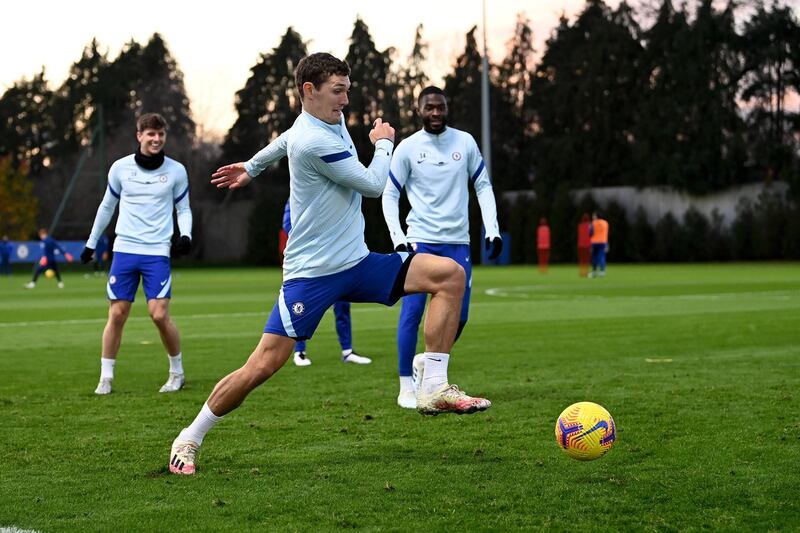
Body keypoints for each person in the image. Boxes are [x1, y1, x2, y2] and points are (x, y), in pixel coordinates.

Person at [169, 53, 490, 475]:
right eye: (338, 91)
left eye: (347, 90)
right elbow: (375, 185)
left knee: (450, 276)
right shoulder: (314, 140)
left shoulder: (322, 122)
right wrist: (384, 143)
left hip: (356, 262)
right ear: (309, 91)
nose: (345, 100)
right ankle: (190, 437)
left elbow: (281, 140)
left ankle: (432, 385)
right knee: (263, 365)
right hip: (311, 275)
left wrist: (252, 166)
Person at [381, 86, 502, 409]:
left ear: (447, 109)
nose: (435, 112)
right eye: (429, 107)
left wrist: (492, 229)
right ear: (418, 109)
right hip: (420, 240)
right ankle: (406, 385)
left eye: (440, 107)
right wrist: (398, 237)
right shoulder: (407, 148)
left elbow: (483, 186)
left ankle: (429, 365)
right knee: (412, 312)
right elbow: (389, 194)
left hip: (458, 242)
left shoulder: (465, 142)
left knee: (458, 316)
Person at [81, 112, 193, 395]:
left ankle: (176, 372)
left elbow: (183, 209)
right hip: (125, 250)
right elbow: (106, 207)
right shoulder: (120, 168)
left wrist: (186, 235)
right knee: (117, 314)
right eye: (150, 134)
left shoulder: (176, 171)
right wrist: (91, 243)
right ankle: (106, 377)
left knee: (158, 314)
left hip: (156, 251)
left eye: (160, 134)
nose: (156, 139)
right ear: (139, 136)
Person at [281, 198, 371, 367]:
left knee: (343, 306)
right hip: (309, 264)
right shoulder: (299, 195)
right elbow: (289, 225)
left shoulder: (334, 195)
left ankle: (347, 351)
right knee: (302, 308)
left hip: (336, 261)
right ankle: (299, 352)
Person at [589, 212, 609, 278]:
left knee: (594, 257)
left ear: (596, 216)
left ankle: (594, 272)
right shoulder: (605, 223)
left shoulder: (593, 223)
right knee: (602, 257)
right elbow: (606, 233)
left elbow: (590, 233)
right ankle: (602, 272)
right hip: (603, 242)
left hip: (594, 242)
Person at [577, 213, 591, 277]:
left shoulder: (580, 226)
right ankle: (586, 272)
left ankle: (581, 272)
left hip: (581, 245)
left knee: (582, 259)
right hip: (588, 245)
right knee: (587, 259)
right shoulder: (590, 226)